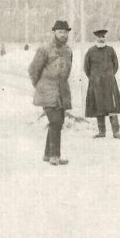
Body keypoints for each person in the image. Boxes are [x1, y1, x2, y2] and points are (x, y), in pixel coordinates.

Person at [29, 20, 73, 166]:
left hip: (61, 91)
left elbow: (67, 71)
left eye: (65, 32)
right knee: (55, 121)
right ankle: (55, 156)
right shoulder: (45, 49)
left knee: (58, 122)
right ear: (54, 32)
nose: (63, 35)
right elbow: (33, 70)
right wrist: (40, 86)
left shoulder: (68, 50)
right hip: (47, 91)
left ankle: (48, 154)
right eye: (60, 32)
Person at [84, 29, 120, 139]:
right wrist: (94, 78)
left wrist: (109, 76)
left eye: (103, 37)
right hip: (96, 84)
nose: (101, 39)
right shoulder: (90, 51)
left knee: (112, 107)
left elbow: (115, 65)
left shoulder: (110, 50)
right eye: (99, 37)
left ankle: (116, 132)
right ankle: (102, 132)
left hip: (109, 83)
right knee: (99, 106)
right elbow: (86, 68)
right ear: (95, 39)